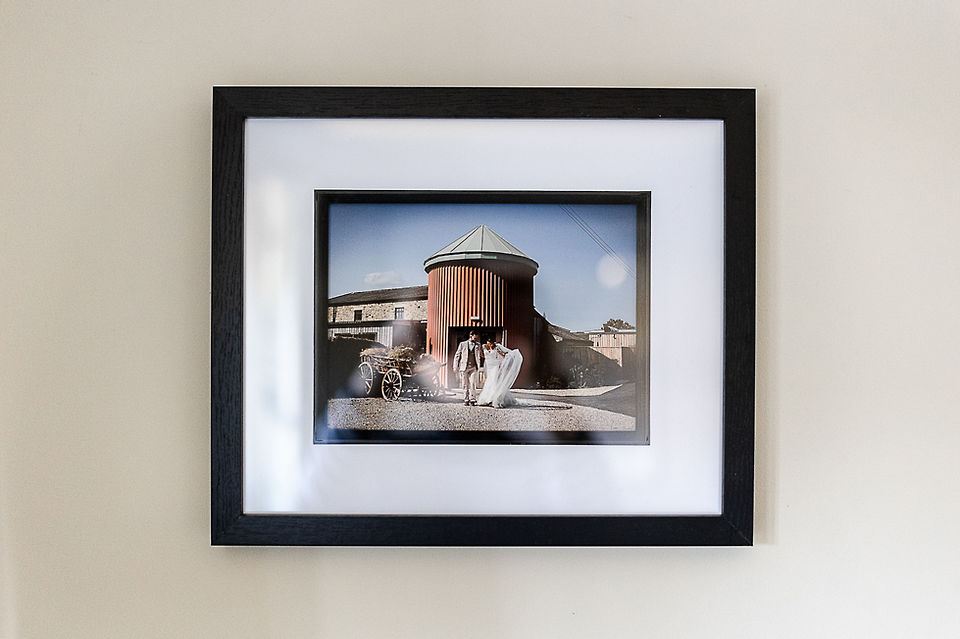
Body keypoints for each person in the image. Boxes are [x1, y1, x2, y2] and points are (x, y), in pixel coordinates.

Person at [476, 336, 523, 408]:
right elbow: (482, 356)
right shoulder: (483, 347)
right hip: (488, 366)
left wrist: (501, 366)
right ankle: (486, 399)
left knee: (494, 382)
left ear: (493, 343)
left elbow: (506, 355)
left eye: (491, 344)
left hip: (495, 366)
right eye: (488, 343)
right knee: (488, 382)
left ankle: (494, 399)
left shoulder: (497, 347)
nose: (489, 345)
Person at [452, 330, 484, 405]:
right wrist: (455, 366)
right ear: (471, 336)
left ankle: (472, 399)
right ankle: (466, 399)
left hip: (473, 367)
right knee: (465, 384)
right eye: (475, 338)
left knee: (473, 383)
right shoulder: (462, 344)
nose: (476, 339)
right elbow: (457, 355)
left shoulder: (478, 345)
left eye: (477, 338)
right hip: (464, 367)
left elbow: (482, 355)